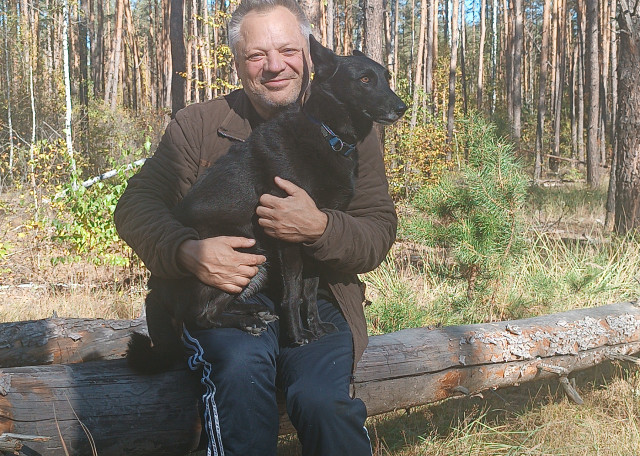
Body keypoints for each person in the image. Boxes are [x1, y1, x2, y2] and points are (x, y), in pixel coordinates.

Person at [114, 0, 397, 454]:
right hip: (226, 291)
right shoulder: (199, 124)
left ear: (310, 57)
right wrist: (187, 251)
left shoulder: (350, 126)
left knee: (323, 401)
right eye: (256, 55)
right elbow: (135, 206)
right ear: (238, 63)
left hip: (319, 295)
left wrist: (320, 227)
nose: (274, 66)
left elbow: (377, 231)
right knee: (239, 376)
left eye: (288, 50)